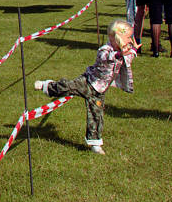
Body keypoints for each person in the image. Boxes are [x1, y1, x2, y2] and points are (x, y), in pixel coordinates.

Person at [34, 19, 137, 155]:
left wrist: (134, 49)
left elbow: (128, 58)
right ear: (118, 38)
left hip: (99, 91)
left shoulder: (123, 52)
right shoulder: (105, 50)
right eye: (128, 37)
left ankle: (95, 143)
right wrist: (120, 54)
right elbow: (106, 57)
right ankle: (47, 86)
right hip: (88, 82)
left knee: (96, 116)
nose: (130, 40)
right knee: (67, 87)